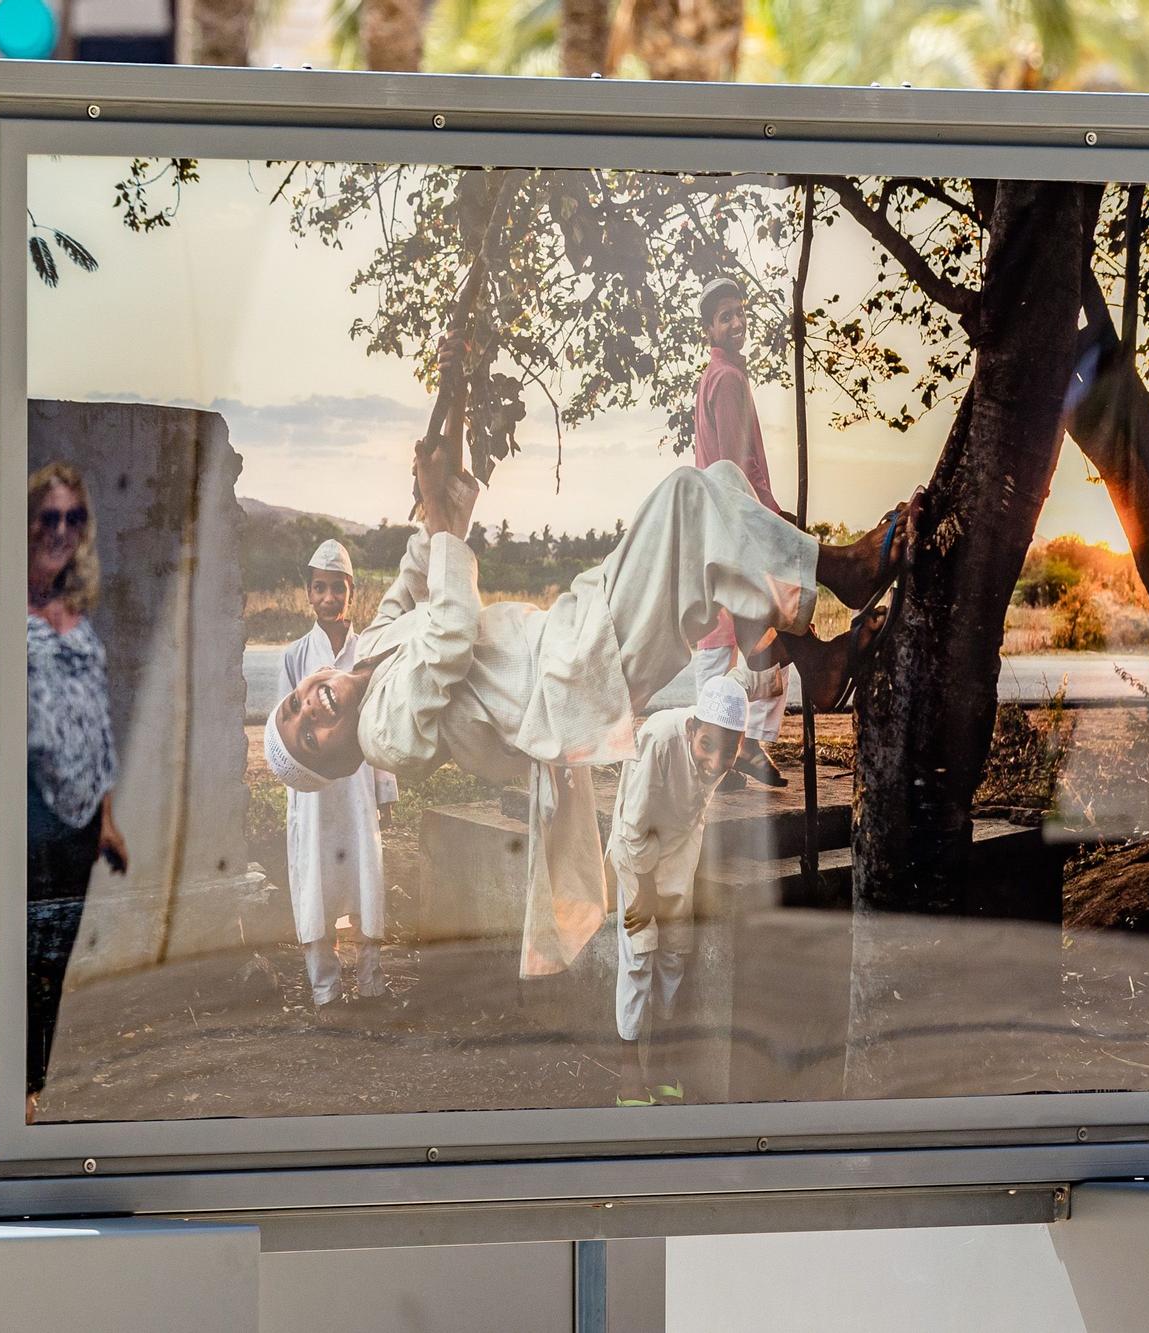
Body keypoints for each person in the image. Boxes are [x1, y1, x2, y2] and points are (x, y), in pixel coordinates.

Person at [263, 338, 917, 979]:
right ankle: (847, 571)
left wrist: (454, 390)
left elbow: (422, 554)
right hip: (577, 682)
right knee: (690, 498)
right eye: (310, 733)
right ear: (337, 756)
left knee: (722, 480)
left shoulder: (367, 644)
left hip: (571, 638)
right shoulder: (385, 737)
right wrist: (442, 525)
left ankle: (812, 659)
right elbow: (448, 630)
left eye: (294, 704)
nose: (310, 706)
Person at [25, 462, 129, 1123]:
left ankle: (28, 1091)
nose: (61, 530)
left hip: (81, 818)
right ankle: (1, 1102)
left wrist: (108, 819)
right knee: (17, 953)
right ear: (28, 521)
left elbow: (98, 717)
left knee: (53, 960)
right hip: (28, 811)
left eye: (75, 518)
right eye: (50, 516)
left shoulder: (74, 613)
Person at [610, 675, 747, 1106]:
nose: (715, 761)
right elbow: (634, 827)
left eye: (729, 750)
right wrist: (645, 891)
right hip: (639, 856)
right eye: (708, 745)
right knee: (639, 956)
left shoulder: (718, 755)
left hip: (679, 856)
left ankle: (664, 1064)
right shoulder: (658, 739)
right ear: (691, 730)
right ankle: (629, 1079)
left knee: (672, 956)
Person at [277, 538, 399, 1019]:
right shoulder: (293, 656)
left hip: (358, 786)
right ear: (308, 594)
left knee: (366, 874)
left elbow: (382, 723)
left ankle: (372, 983)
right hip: (311, 790)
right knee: (315, 878)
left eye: (338, 589)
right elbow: (284, 731)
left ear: (353, 592)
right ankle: (325, 990)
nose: (329, 598)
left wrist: (384, 788)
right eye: (320, 588)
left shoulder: (368, 653)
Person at [690, 276, 791, 792]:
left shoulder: (715, 376)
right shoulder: (728, 380)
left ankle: (718, 749)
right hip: (740, 522)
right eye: (725, 316)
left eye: (740, 313)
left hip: (719, 523)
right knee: (772, 633)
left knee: (720, 639)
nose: (737, 323)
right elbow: (733, 466)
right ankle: (746, 744)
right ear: (709, 328)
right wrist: (771, 517)